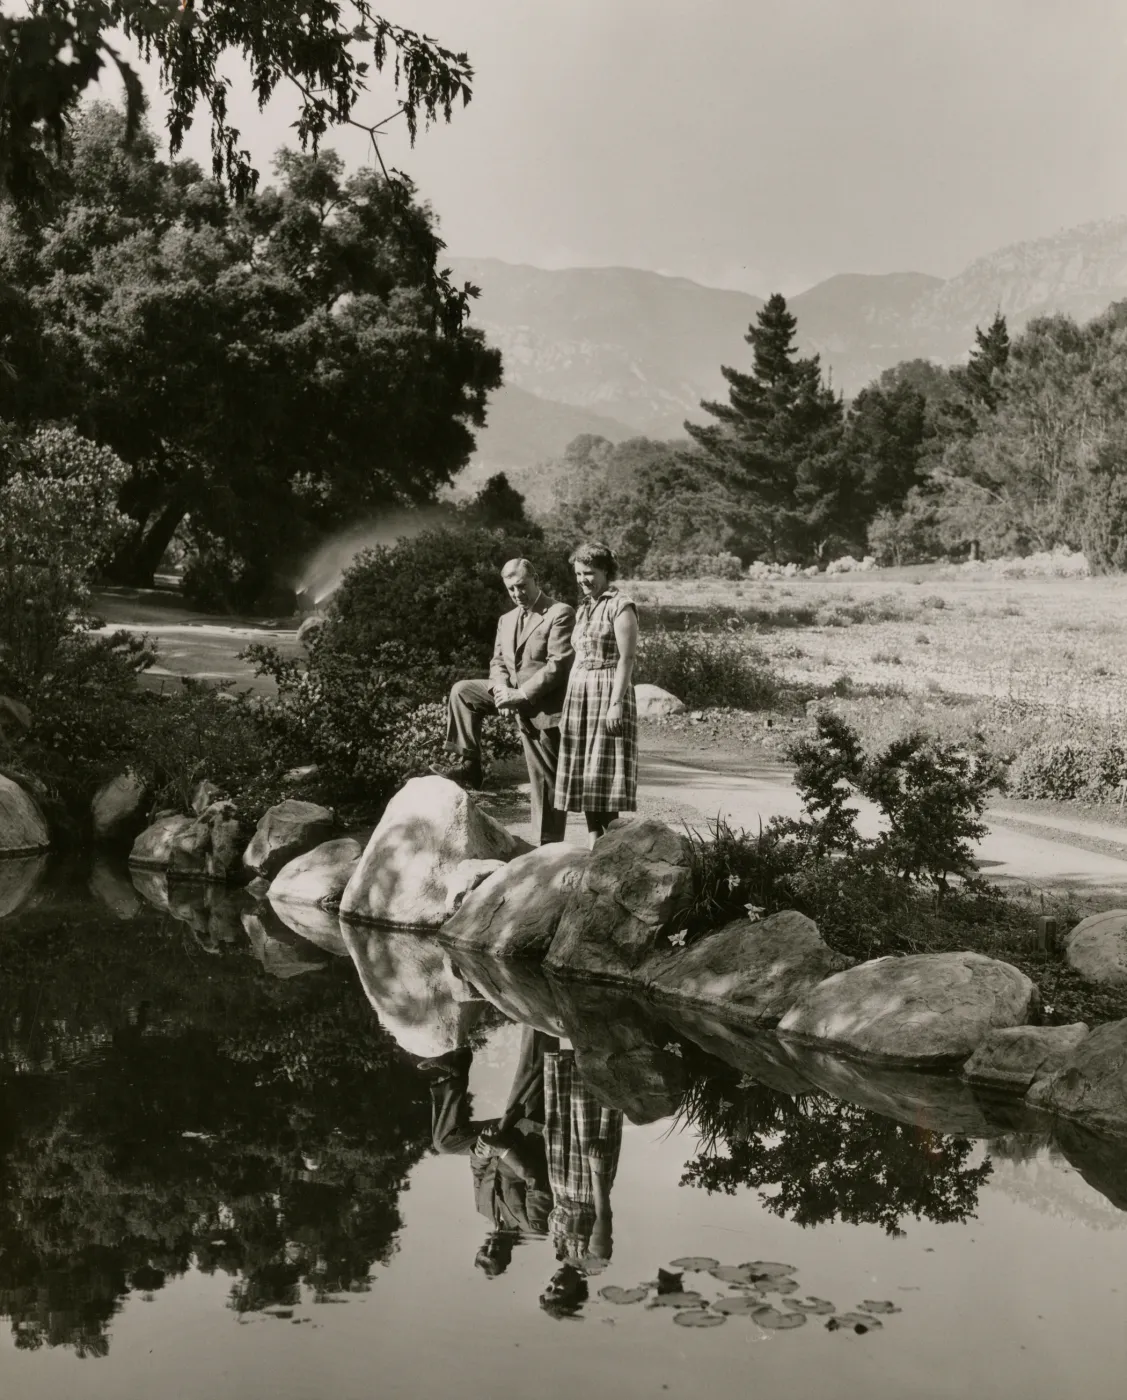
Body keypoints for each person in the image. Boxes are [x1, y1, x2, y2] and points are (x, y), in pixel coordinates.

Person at [432, 558, 575, 845]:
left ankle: (547, 848)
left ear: (536, 579)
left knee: (545, 782)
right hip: (509, 694)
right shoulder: (506, 619)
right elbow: (498, 661)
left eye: (522, 586)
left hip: (544, 708)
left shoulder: (560, 613)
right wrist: (500, 691)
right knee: (463, 691)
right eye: (511, 589)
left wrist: (519, 696)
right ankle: (469, 763)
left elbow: (558, 664)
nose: (517, 593)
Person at [553, 541, 639, 847]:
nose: (582, 580)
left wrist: (616, 704)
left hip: (608, 691)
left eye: (588, 573)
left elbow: (626, 659)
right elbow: (578, 657)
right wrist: (566, 708)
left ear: (605, 571)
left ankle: (611, 849)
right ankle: (593, 843)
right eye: (578, 574)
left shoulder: (621, 605)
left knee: (604, 772)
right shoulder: (584, 607)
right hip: (580, 695)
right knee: (585, 773)